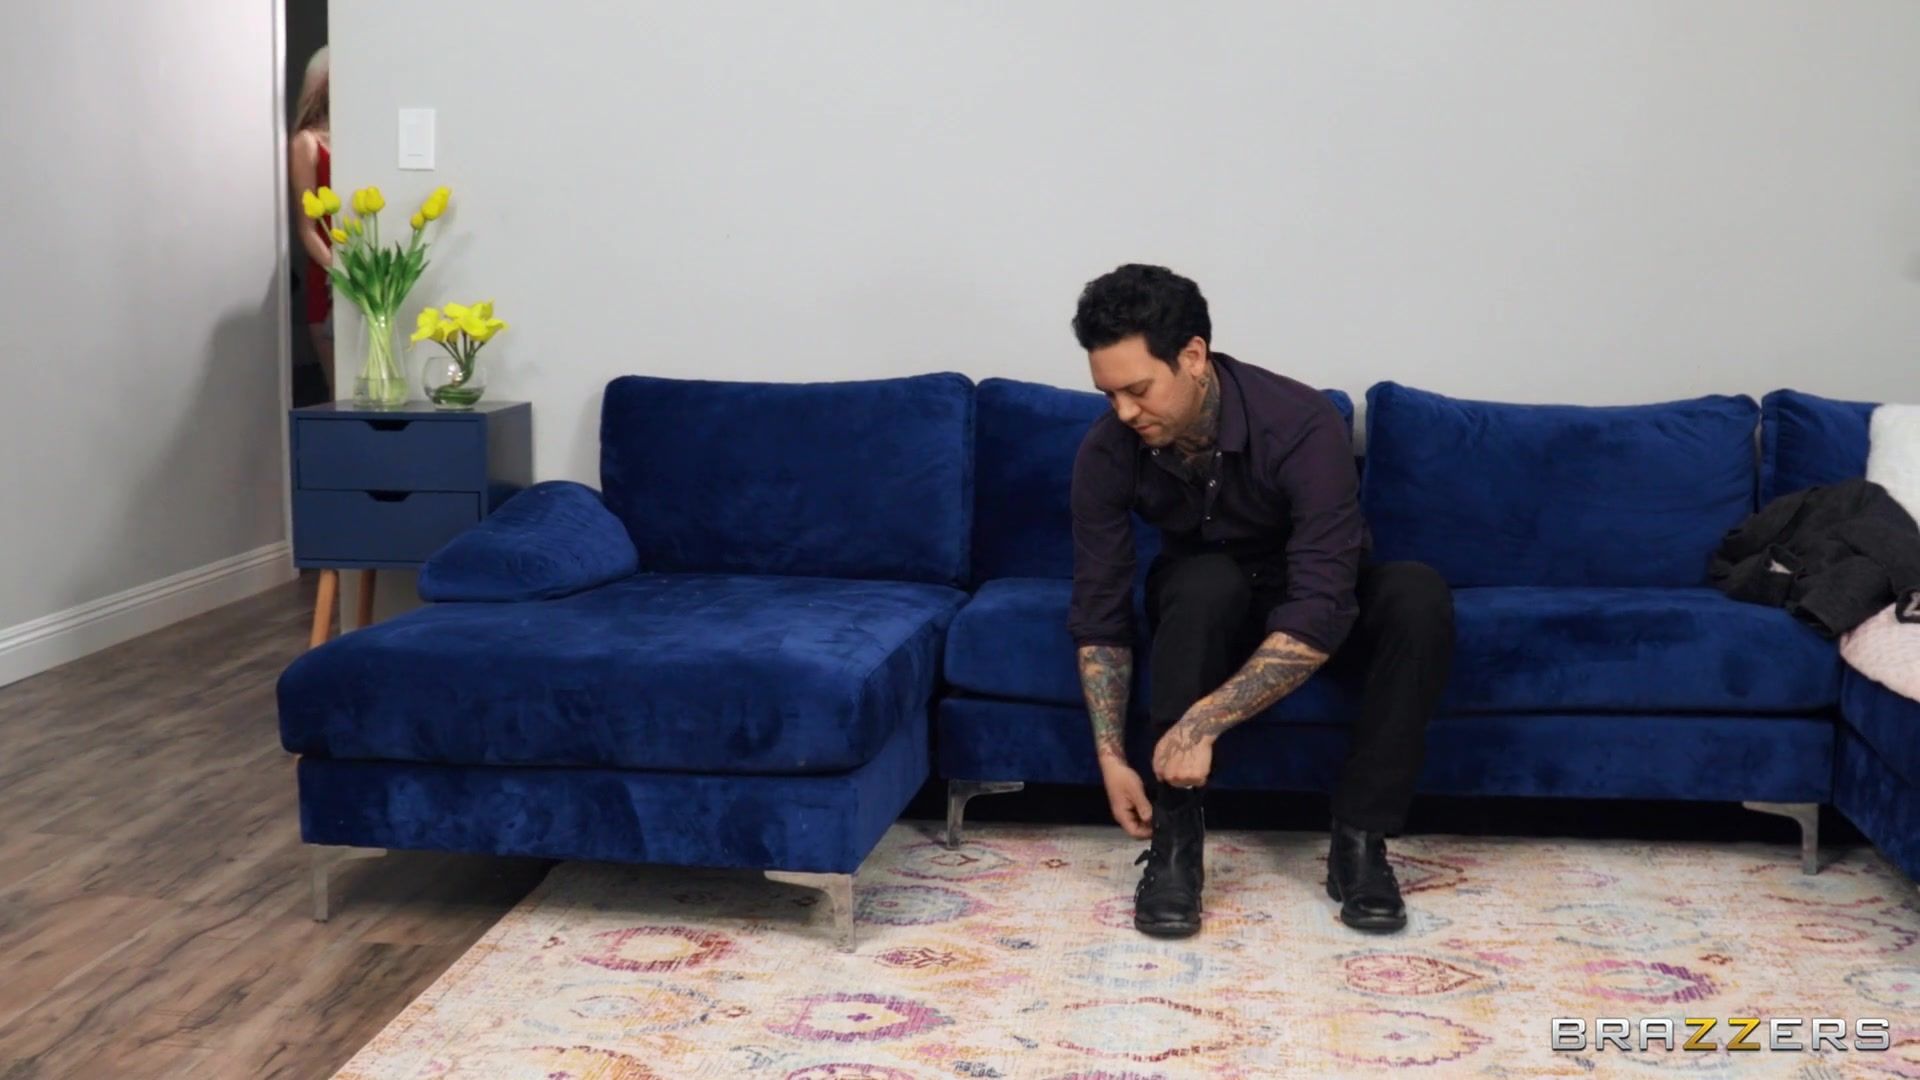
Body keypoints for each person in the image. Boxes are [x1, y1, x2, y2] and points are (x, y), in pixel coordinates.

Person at [1067, 263, 1455, 938]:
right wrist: (1111, 757)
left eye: (1138, 390)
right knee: (1202, 581)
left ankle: (1359, 844)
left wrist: (1202, 724)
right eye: (1109, 395)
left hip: (1311, 599)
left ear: (1193, 356)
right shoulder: (1108, 449)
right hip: (1207, 602)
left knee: (1418, 595)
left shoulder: (1301, 422)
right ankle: (1175, 849)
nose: (1124, 412)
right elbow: (1101, 611)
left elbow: (1322, 601)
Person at [289, 46, 333, 399]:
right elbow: (307, 227)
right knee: (340, 389)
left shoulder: (363, 141)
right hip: (330, 277)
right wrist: (342, 272)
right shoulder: (307, 144)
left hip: (370, 276)